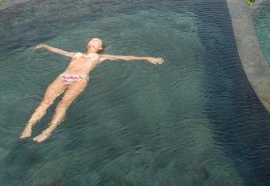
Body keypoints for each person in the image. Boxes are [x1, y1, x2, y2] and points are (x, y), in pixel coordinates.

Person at [20, 37, 164, 142]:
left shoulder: (101, 57)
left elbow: (126, 57)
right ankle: (29, 127)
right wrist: (45, 46)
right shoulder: (77, 54)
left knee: (63, 104)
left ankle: (48, 130)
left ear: (100, 48)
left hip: (80, 79)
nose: (93, 40)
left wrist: (147, 58)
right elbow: (60, 51)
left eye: (97, 41)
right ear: (88, 44)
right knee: (45, 102)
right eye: (92, 40)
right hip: (64, 77)